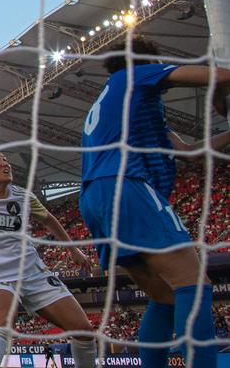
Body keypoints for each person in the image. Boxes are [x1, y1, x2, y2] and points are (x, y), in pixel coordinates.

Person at [79, 35, 230, 368]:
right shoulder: (135, 74)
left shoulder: (124, 101)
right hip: (125, 185)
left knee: (164, 297)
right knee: (194, 285)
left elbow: (190, 152)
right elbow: (220, 75)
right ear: (146, 60)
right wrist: (219, 91)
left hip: (95, 199)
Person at [0, 152, 98, 368]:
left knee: (84, 332)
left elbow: (51, 221)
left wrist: (74, 250)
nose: (5, 163)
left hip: (33, 273)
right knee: (2, 324)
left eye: (6, 160)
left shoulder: (24, 197)